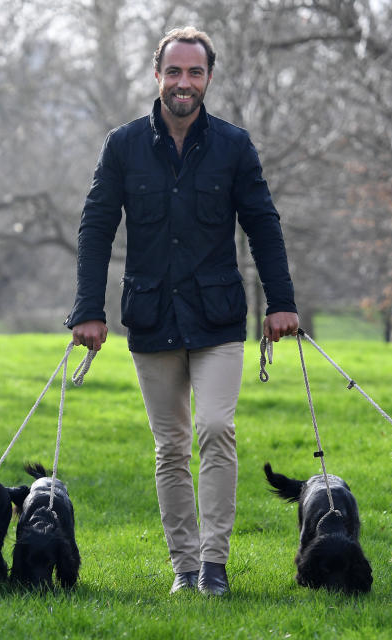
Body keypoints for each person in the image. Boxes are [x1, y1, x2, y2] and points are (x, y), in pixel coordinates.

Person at [65, 26, 299, 596]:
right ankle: (185, 567)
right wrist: (86, 311)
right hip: (151, 318)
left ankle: (215, 565)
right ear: (157, 76)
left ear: (209, 79)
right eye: (174, 72)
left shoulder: (234, 146)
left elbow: (263, 224)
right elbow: (96, 227)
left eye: (195, 72)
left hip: (218, 317)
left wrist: (282, 301)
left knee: (216, 429)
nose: (184, 83)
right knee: (170, 446)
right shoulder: (121, 146)